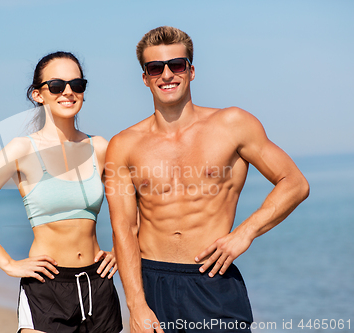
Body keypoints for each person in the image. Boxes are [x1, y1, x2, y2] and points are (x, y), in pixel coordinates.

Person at [105, 26, 309, 333]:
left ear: (191, 71)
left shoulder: (233, 125)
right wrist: (136, 305)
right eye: (155, 68)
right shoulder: (123, 145)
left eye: (176, 65)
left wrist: (244, 233)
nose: (167, 75)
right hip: (151, 284)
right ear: (145, 78)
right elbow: (123, 229)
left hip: (213, 280)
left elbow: (294, 183)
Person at [0, 51, 122, 333]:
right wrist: (7, 264)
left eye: (77, 85)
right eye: (56, 86)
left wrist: (120, 249)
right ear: (38, 94)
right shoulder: (21, 150)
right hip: (46, 288)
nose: (68, 92)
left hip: (99, 285)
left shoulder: (101, 148)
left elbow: (138, 207)